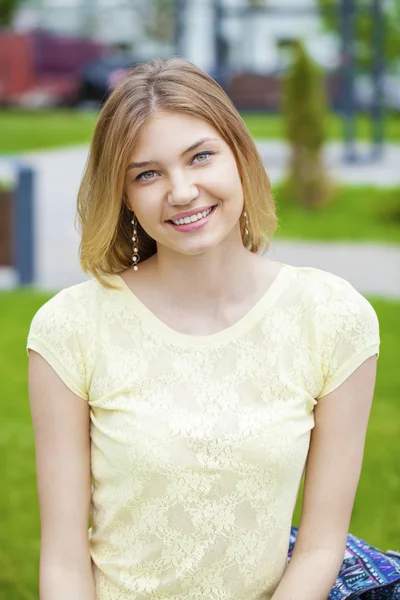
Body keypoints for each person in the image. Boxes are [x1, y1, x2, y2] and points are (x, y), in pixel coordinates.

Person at [26, 58, 387, 600]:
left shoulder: (332, 318)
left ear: (241, 157)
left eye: (200, 157)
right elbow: (62, 560)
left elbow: (318, 547)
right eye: (146, 173)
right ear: (122, 194)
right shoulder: (72, 328)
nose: (182, 191)